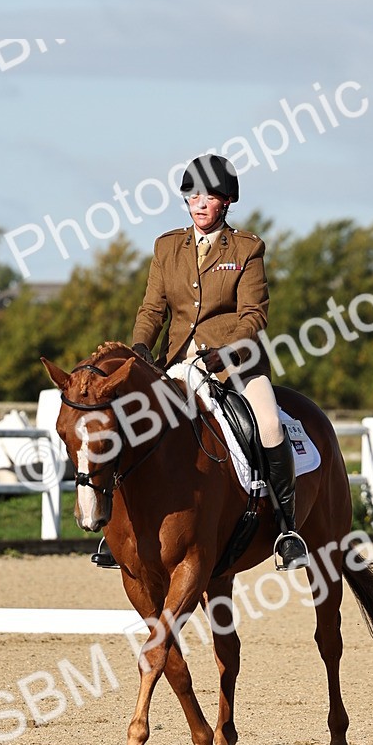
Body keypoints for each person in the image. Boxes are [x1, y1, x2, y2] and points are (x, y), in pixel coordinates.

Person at [93, 153, 308, 572]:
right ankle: (117, 532)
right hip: (175, 364)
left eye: (209, 196)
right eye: (193, 195)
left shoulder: (247, 249)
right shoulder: (167, 246)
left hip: (235, 366)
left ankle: (286, 530)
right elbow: (152, 308)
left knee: (268, 424)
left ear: (226, 201)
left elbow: (254, 317)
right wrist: (140, 347)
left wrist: (222, 351)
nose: (199, 203)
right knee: (129, 421)